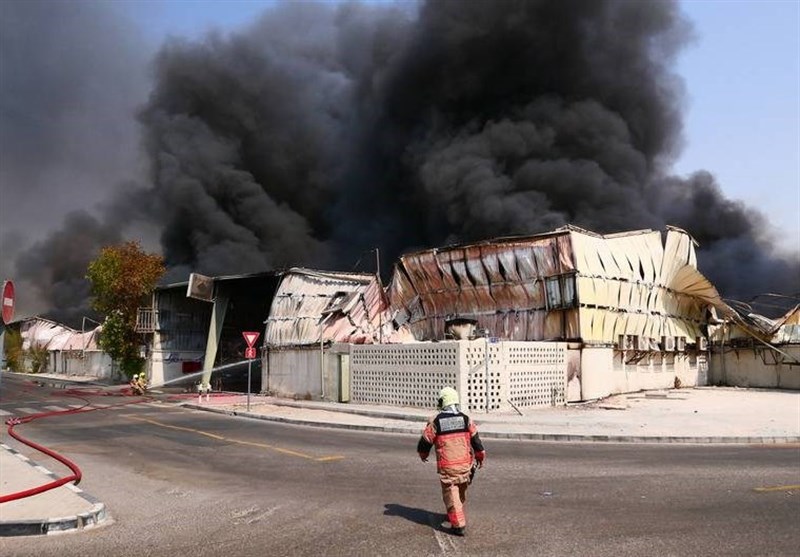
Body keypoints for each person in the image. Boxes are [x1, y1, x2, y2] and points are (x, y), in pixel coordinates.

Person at [417, 387, 486, 536]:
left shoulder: (436, 422)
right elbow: (477, 441)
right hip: (465, 465)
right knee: (461, 489)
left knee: (451, 492)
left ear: (442, 401)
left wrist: (423, 454)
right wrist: (480, 457)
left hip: (448, 466)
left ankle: (458, 524)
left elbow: (425, 441)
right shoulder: (466, 419)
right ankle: (457, 511)